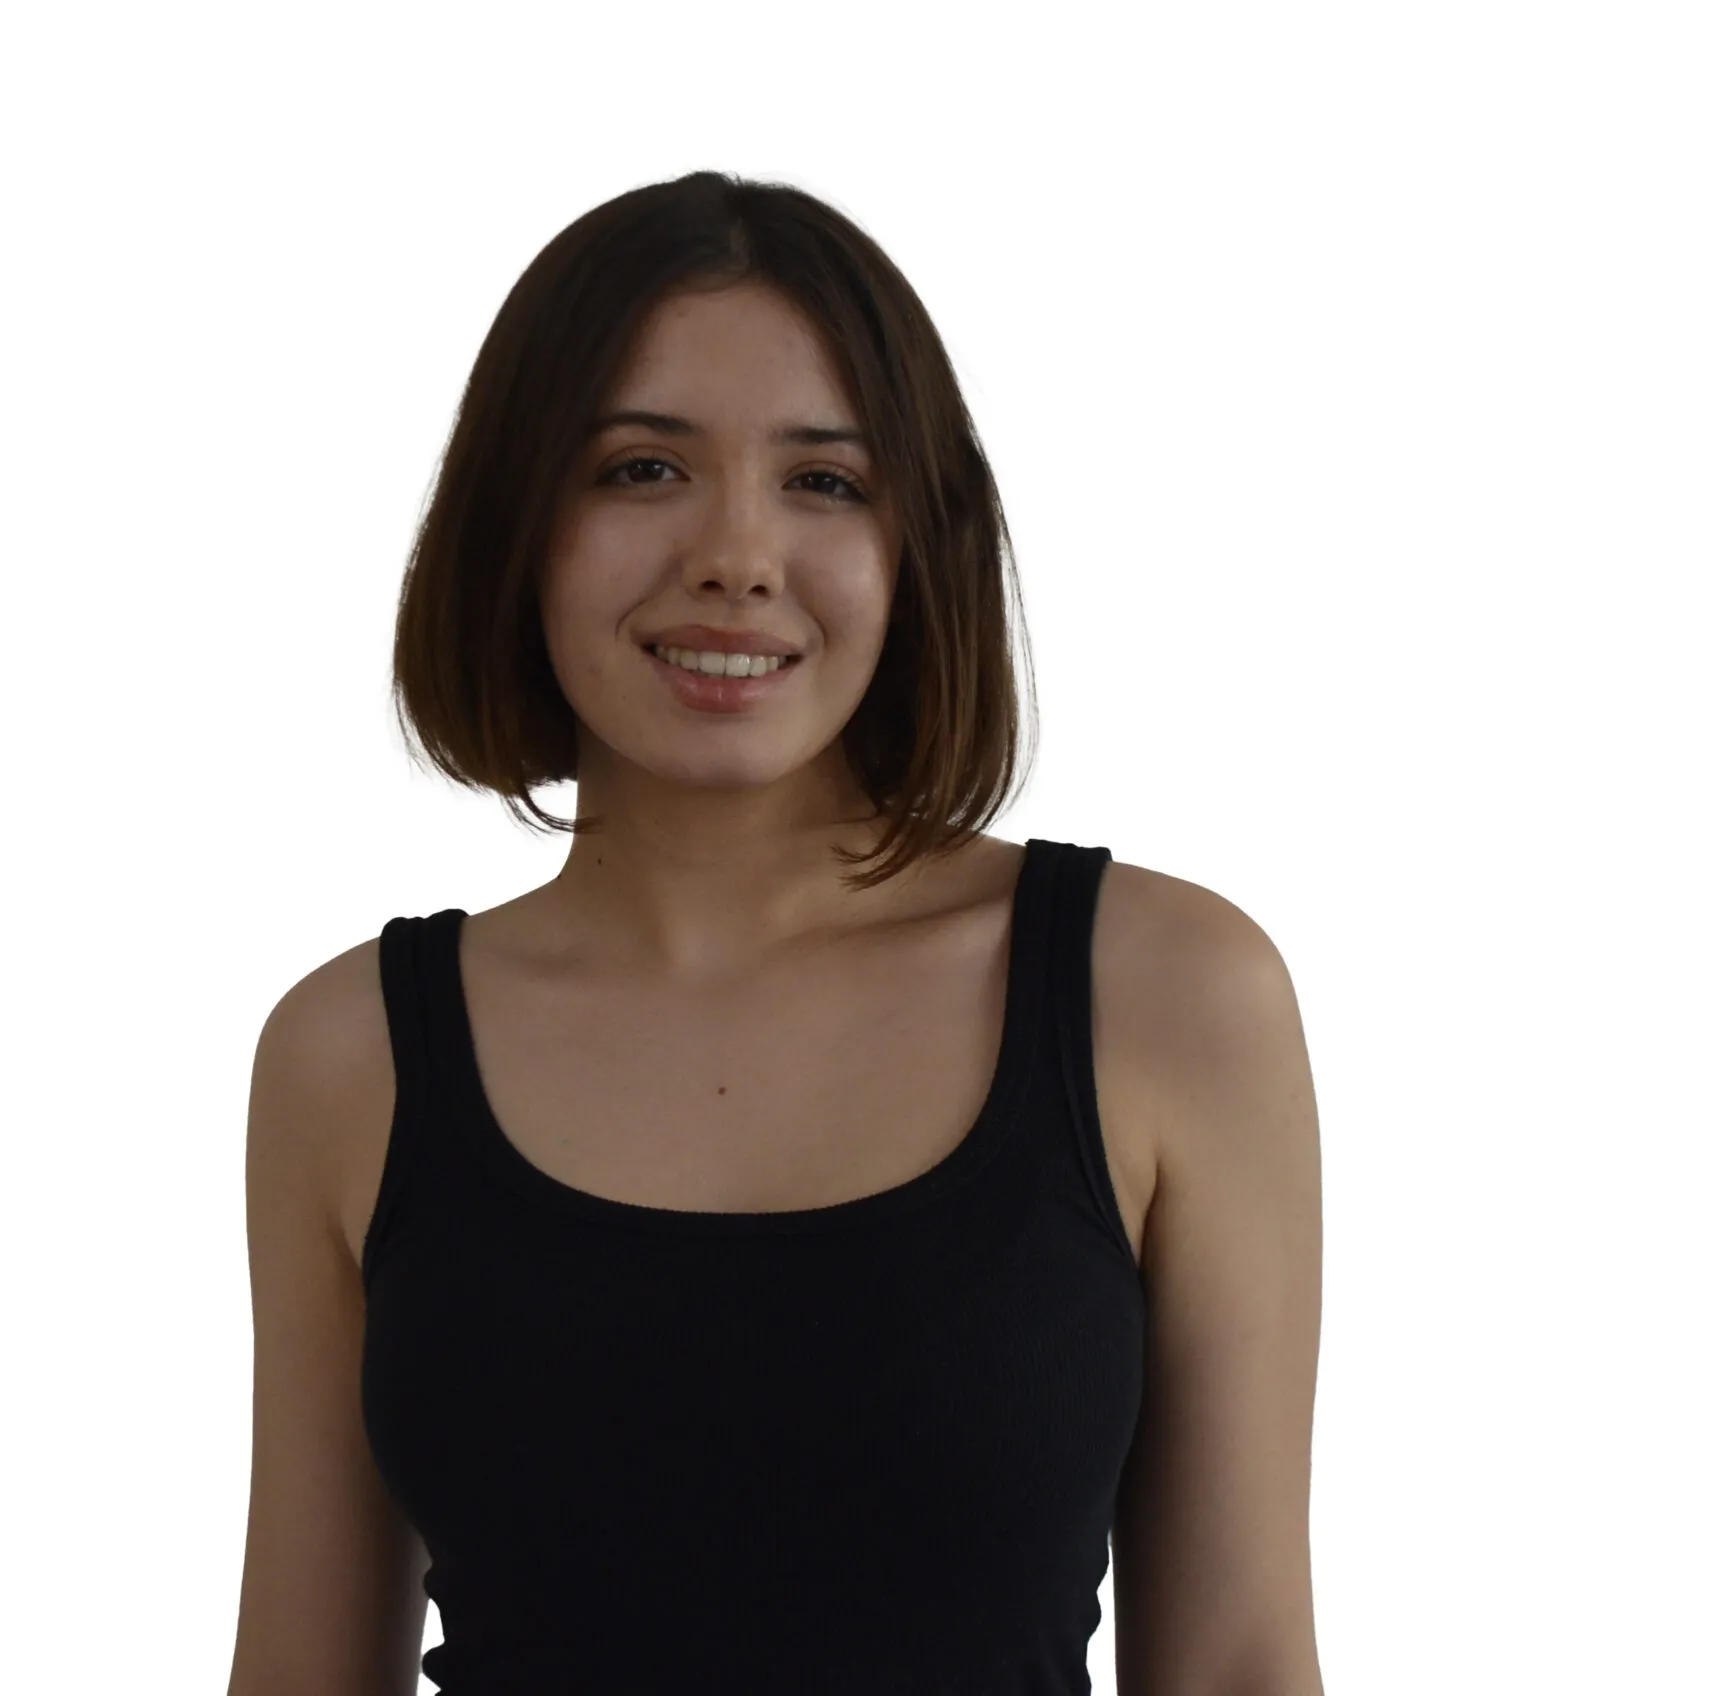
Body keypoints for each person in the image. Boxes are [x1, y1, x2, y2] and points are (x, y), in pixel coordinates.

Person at [226, 170, 1325, 1695]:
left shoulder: (1169, 998)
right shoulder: (352, 1056)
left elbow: (1242, 1665)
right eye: (640, 469)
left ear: (919, 545)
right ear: (514, 525)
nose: (737, 553)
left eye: (825, 481)